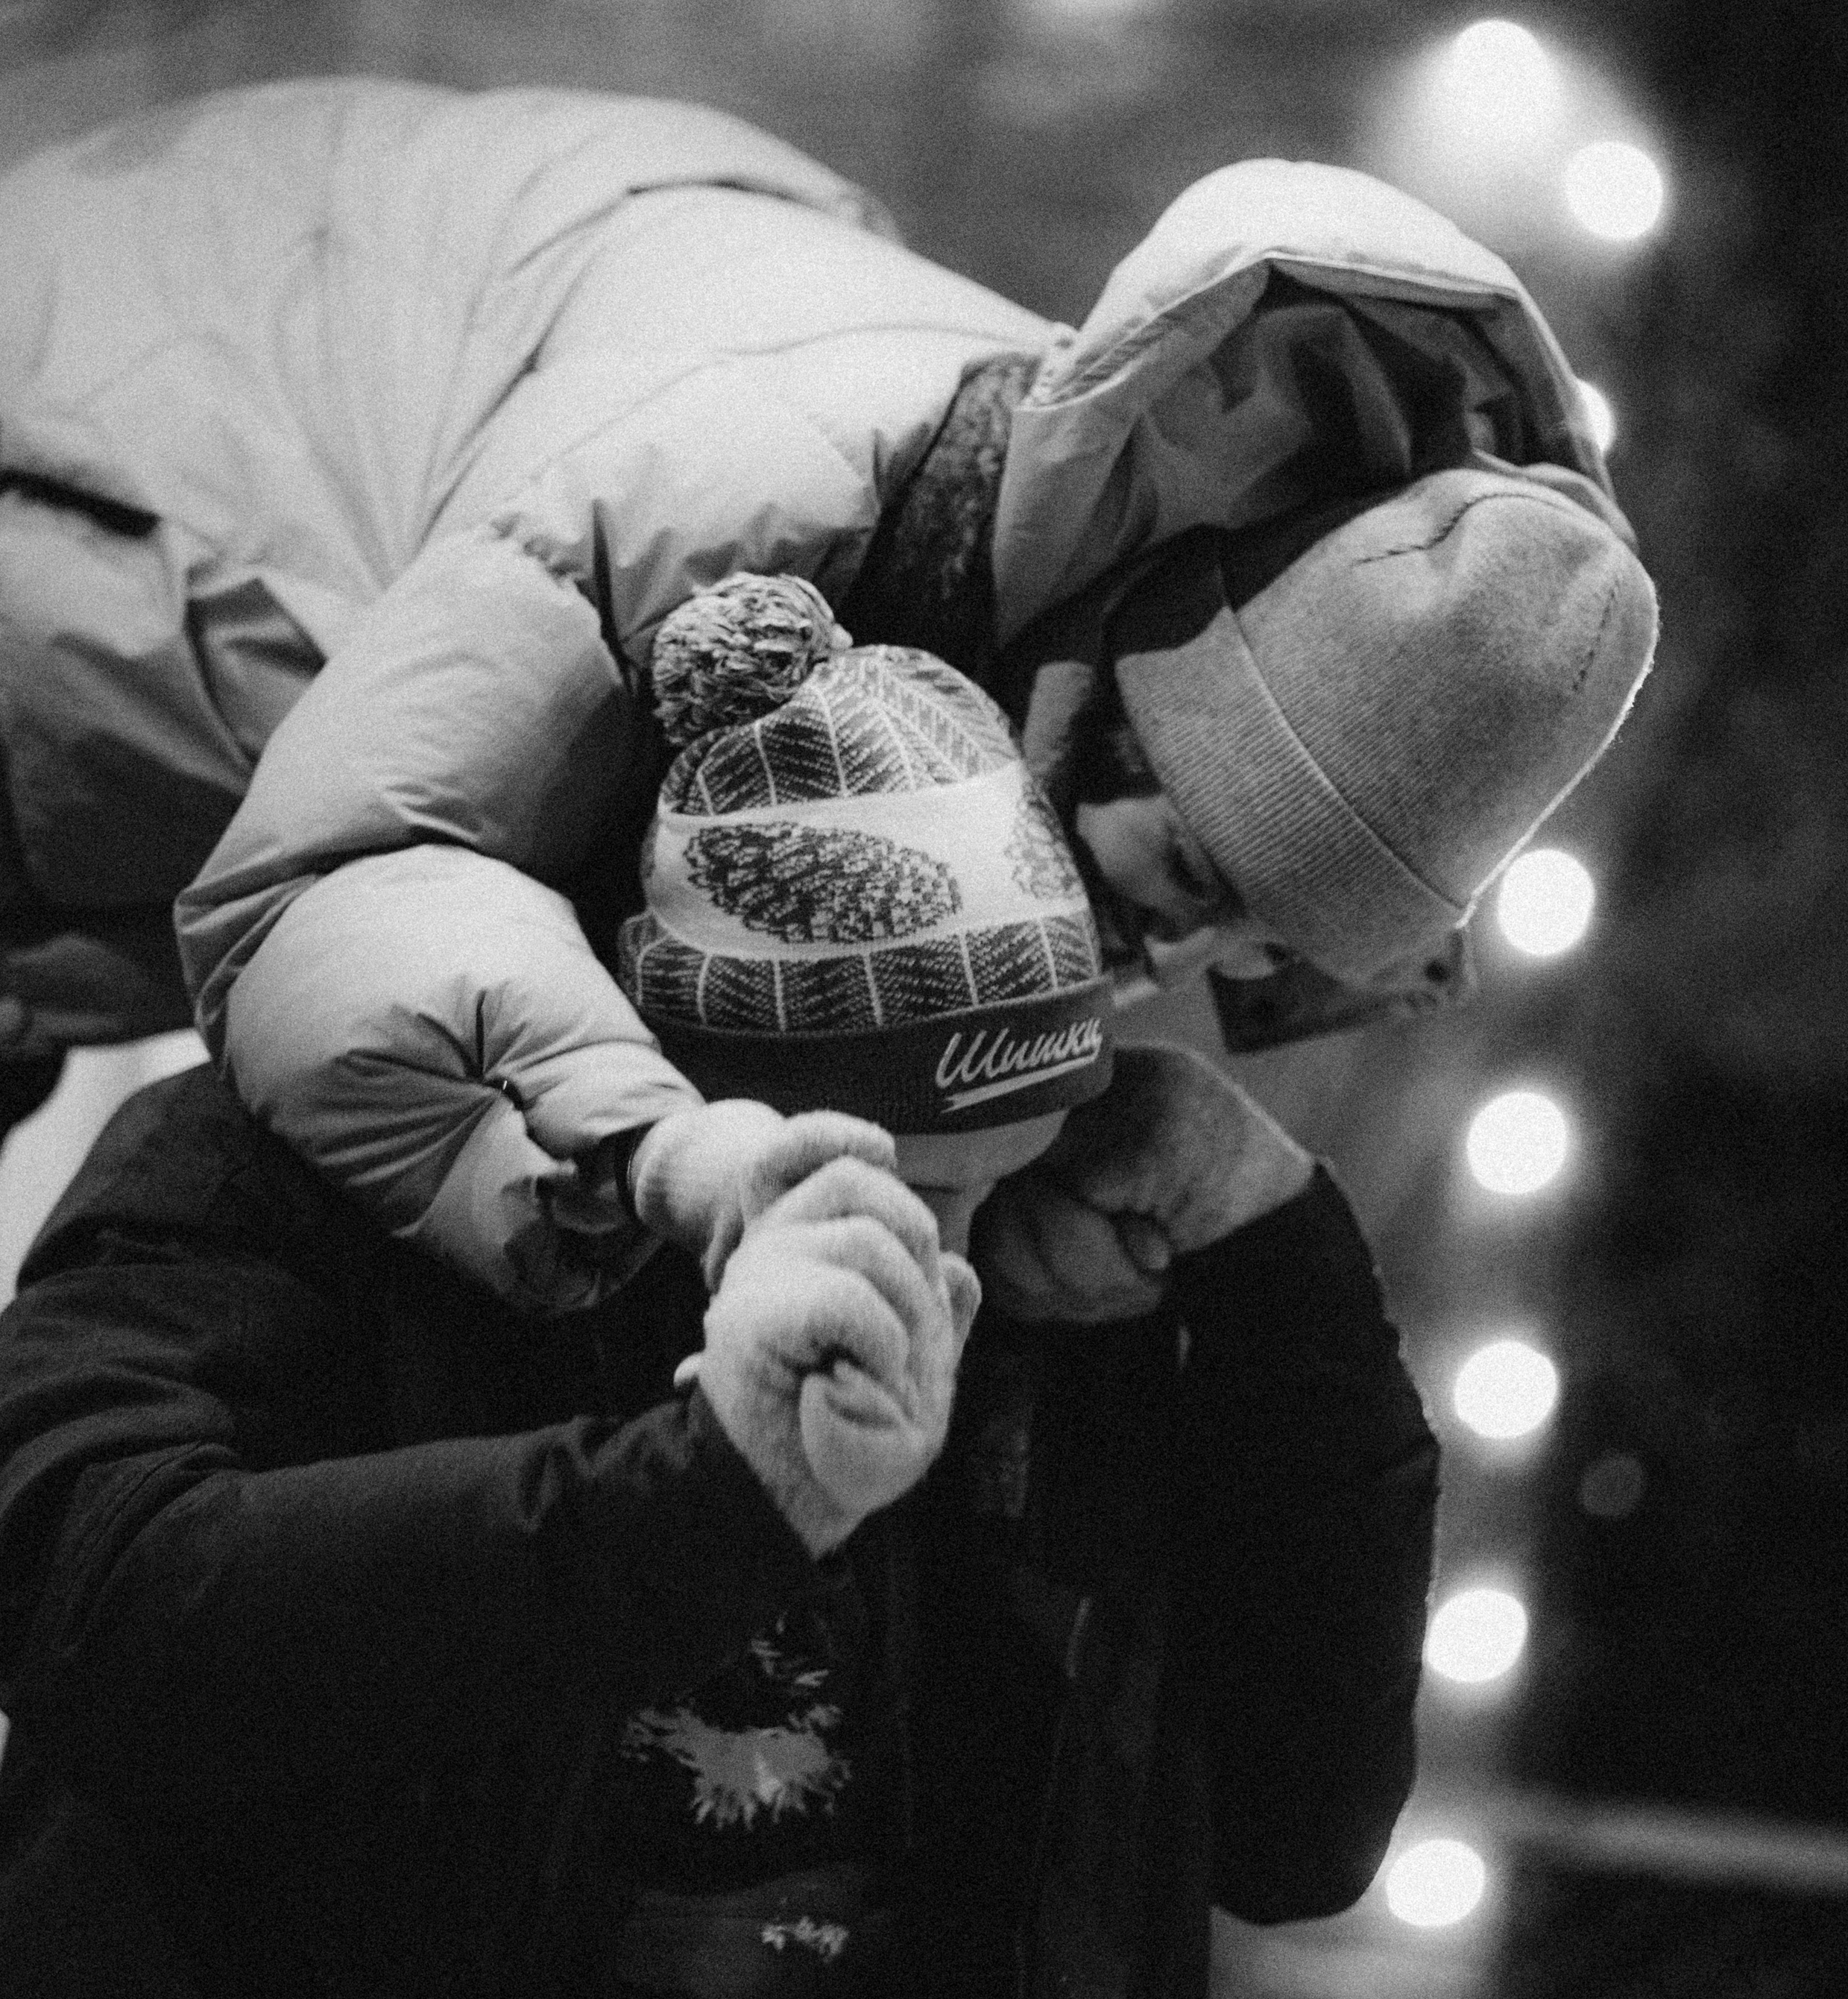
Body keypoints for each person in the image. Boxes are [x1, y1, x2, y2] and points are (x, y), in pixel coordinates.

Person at [0, 79, 1656, 1301]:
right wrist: (674, 1162)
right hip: (88, 494)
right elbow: (334, 879)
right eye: (1193, 882)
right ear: (1133, 695)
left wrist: (971, 1180)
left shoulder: (984, 651)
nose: (1172, 964)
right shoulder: (738, 471)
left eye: (1250, 952)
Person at [0, 617, 1438, 1999]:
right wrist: (704, 1498)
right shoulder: (331, 1160)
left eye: (1003, 1181)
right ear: (702, 1099)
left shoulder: (1052, 1299)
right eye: (908, 1188)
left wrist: (1280, 1258)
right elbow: (85, 1596)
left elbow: (1298, 1839)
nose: (951, 1269)